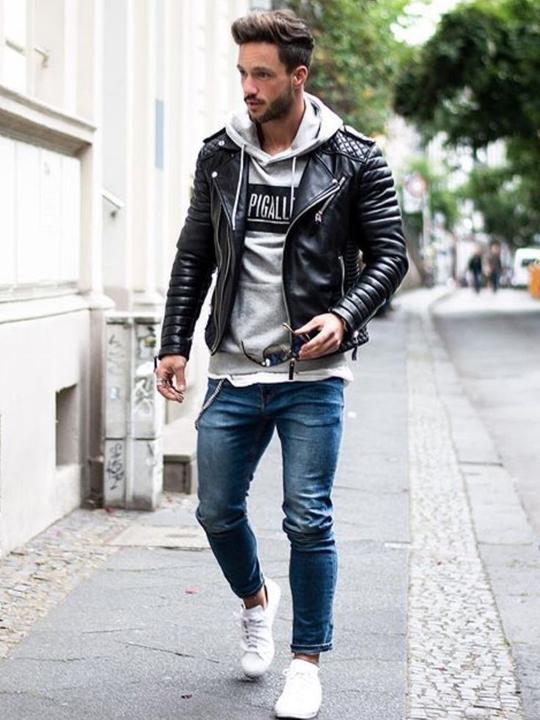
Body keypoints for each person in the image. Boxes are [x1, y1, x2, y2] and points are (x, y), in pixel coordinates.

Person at [154, 9, 408, 719]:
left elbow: (390, 255)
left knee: (308, 518)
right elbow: (194, 255)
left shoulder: (354, 158)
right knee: (215, 511)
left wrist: (345, 314)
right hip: (235, 368)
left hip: (312, 376)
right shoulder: (220, 155)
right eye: (242, 73)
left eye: (262, 74)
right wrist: (174, 341)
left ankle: (305, 663)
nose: (248, 87)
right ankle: (254, 601)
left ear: (299, 76)